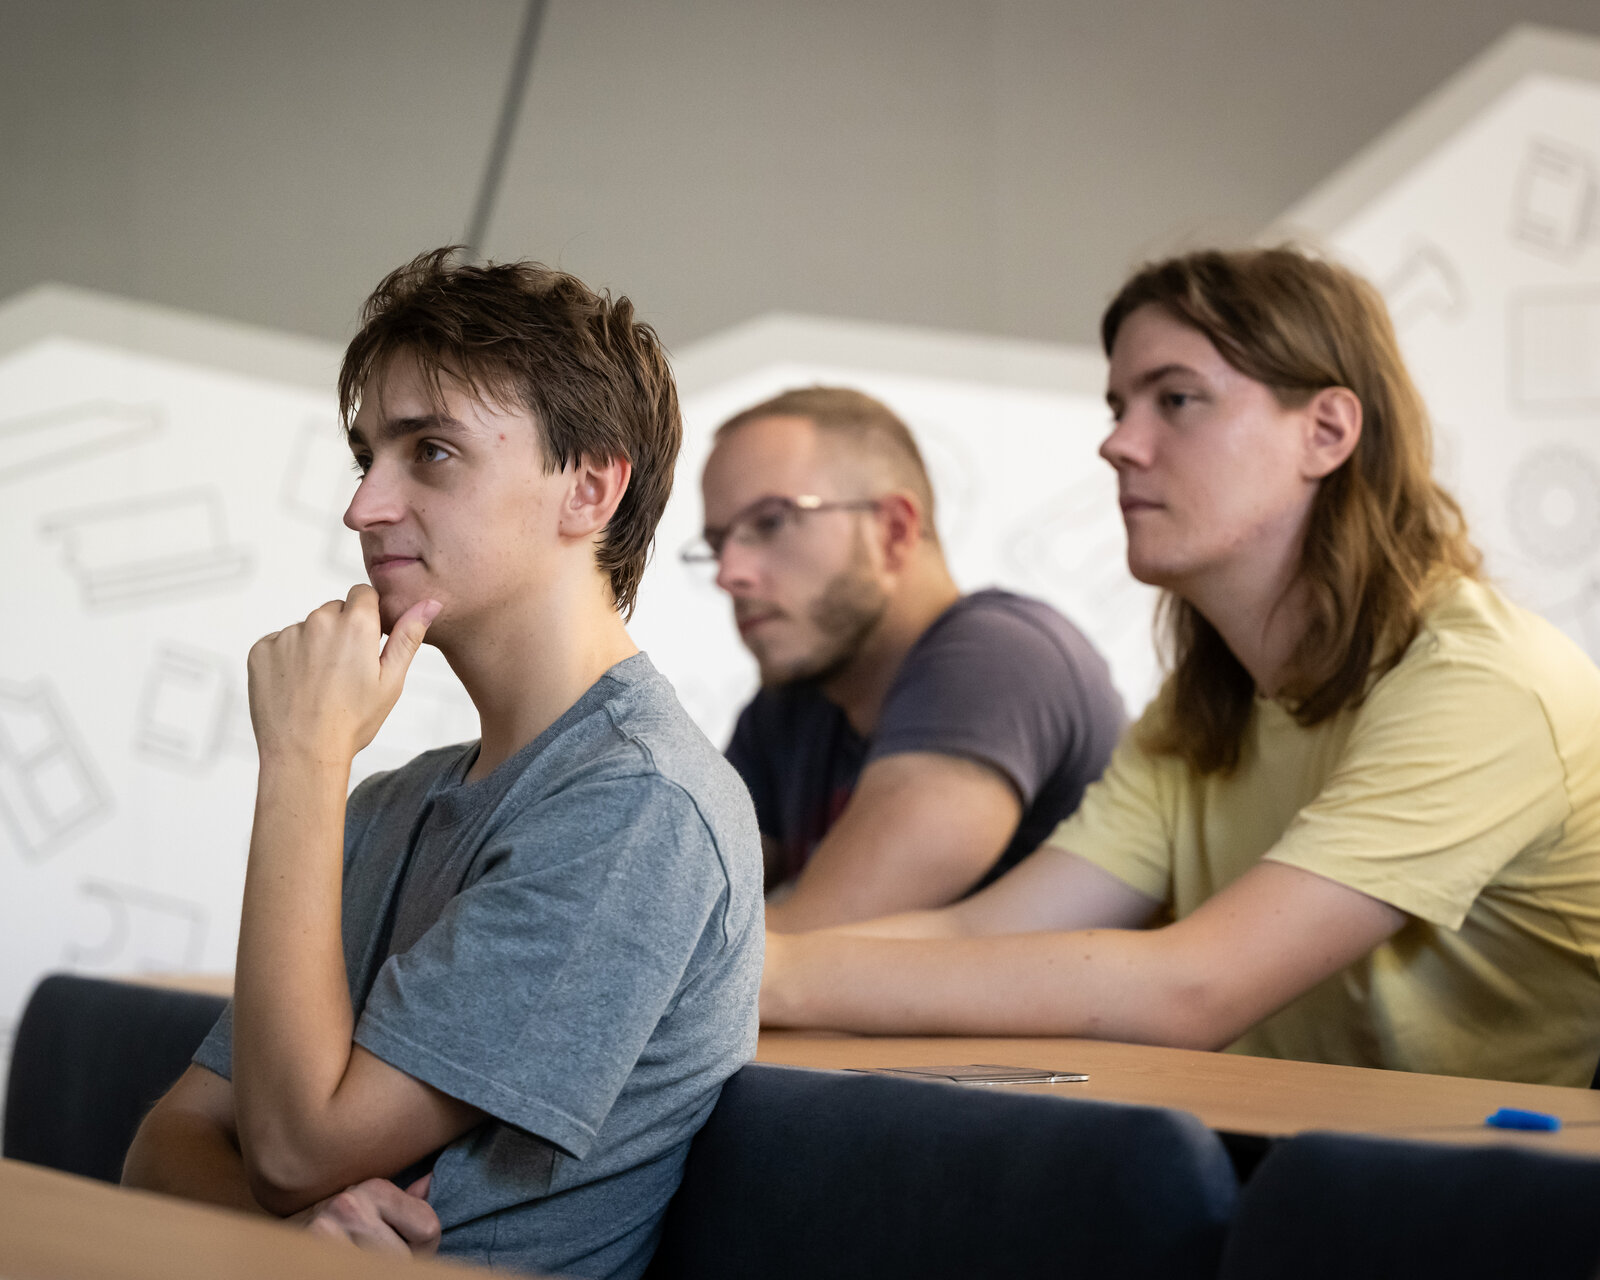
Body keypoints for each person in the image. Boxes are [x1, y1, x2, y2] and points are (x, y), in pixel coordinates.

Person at [759, 247, 1600, 1087]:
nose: (1117, 444)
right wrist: (752, 969)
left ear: (1327, 432)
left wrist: (768, 977)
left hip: (1480, 1169)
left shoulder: (1486, 684)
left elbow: (1195, 989)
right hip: (1275, 1149)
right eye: (1119, 407)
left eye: (1177, 399)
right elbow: (981, 933)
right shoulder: (1201, 711)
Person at [123, 248, 763, 1278]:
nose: (364, 507)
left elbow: (290, 1153)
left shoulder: (639, 804)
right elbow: (166, 1143)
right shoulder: (390, 802)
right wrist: (285, 1238)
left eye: (431, 451)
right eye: (365, 456)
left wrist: (301, 756)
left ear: (589, 487)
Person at [695, 387, 1126, 931]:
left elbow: (814, 941)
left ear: (894, 531)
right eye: (718, 543)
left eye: (771, 522)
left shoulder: (1000, 657)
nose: (728, 573)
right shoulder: (786, 709)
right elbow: (675, 909)